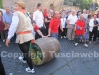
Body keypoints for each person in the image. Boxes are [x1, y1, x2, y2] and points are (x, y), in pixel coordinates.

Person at [6, 0, 35, 73]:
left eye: (16, 5)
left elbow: (13, 26)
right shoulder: (27, 14)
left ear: (21, 6)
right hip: (29, 35)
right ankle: (24, 59)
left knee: (26, 52)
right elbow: (31, 26)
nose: (14, 6)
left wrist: (8, 37)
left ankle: (31, 69)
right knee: (26, 51)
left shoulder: (16, 14)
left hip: (22, 36)